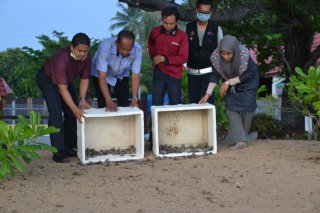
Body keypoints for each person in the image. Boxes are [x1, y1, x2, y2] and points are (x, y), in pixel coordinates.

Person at [36, 33, 92, 163]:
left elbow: (84, 78)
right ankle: (58, 152)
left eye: (85, 51)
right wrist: (75, 108)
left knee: (71, 113)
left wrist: (82, 99)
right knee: (56, 112)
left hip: (65, 81)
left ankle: (68, 146)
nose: (83, 54)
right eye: (79, 51)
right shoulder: (61, 59)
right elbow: (62, 89)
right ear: (71, 47)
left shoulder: (87, 58)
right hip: (47, 79)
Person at [199, 35, 259, 150]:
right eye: (223, 53)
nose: (225, 57)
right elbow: (215, 75)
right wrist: (207, 94)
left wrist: (228, 83)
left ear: (234, 51)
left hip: (248, 81)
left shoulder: (244, 55)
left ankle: (242, 139)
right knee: (232, 109)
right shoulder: (216, 57)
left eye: (228, 54)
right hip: (229, 82)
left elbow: (249, 74)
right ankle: (240, 139)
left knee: (248, 109)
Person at [91, 30, 142, 111]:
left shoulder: (137, 49)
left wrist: (134, 99)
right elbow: (102, 76)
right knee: (104, 104)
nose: (125, 52)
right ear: (117, 43)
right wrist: (108, 100)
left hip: (122, 73)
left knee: (124, 104)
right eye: (123, 49)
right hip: (102, 73)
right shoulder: (105, 46)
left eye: (129, 50)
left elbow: (135, 76)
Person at [147, 6, 188, 106]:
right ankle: (154, 122)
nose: (168, 26)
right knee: (156, 104)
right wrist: (154, 57)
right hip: (159, 72)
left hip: (174, 74)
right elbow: (150, 44)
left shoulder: (182, 36)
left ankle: (176, 123)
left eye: (171, 24)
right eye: (165, 23)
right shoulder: (155, 31)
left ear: (177, 21)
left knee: (175, 104)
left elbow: (183, 57)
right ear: (162, 19)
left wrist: (164, 59)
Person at [186, 0, 223, 104]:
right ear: (197, 10)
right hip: (192, 72)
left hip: (209, 72)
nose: (204, 14)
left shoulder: (216, 28)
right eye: (201, 12)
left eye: (206, 13)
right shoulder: (188, 27)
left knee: (208, 102)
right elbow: (184, 48)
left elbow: (221, 50)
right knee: (193, 103)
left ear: (211, 12)